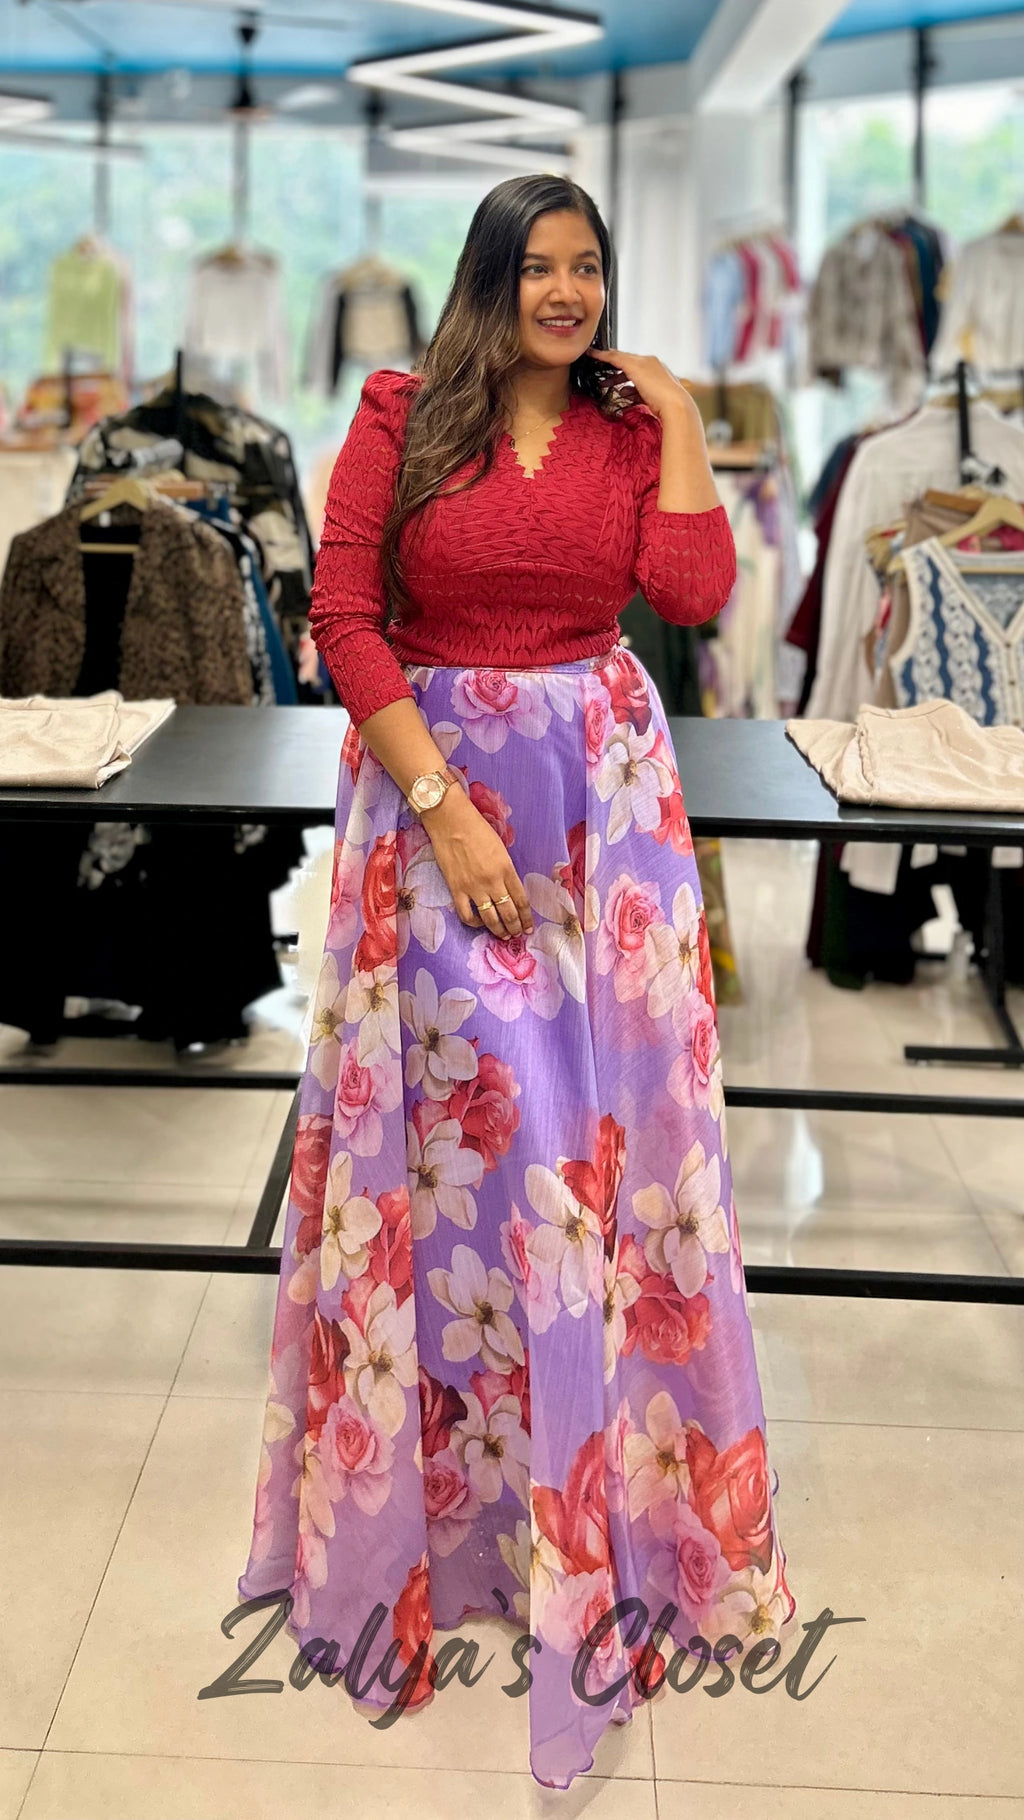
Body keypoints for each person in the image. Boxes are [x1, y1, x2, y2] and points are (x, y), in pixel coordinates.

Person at [238, 172, 796, 1790]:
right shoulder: (399, 414)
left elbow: (689, 597)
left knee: (609, 1178)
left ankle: (616, 1533)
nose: (567, 292)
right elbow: (345, 616)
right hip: (438, 806)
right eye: (539, 266)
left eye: (588, 267)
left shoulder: (628, 428)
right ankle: (450, 1533)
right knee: (472, 1172)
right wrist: (441, 804)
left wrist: (677, 413)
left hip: (603, 814)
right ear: (489, 276)